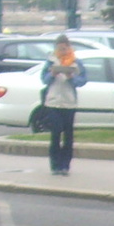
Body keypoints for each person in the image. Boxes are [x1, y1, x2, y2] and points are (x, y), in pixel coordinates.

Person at [40, 36, 88, 176]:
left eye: (64, 48)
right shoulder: (50, 61)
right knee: (55, 133)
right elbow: (44, 80)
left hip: (69, 103)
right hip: (53, 102)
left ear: (69, 47)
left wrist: (71, 77)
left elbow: (83, 80)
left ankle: (65, 165)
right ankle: (55, 165)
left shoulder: (76, 62)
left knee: (68, 136)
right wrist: (52, 74)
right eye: (60, 48)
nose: (62, 50)